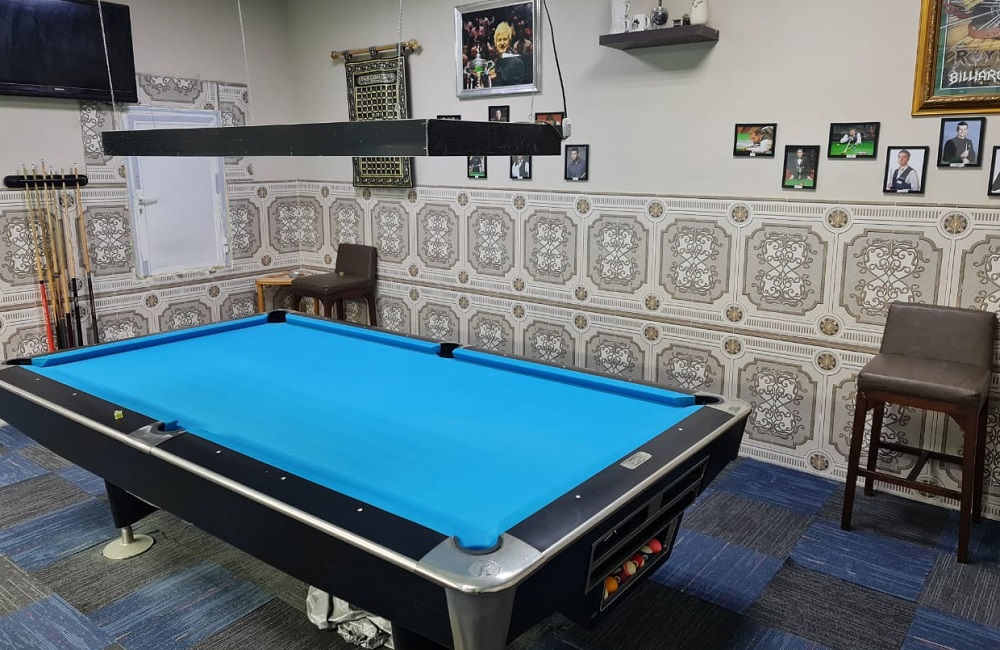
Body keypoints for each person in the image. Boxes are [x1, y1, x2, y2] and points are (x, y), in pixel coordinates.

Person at [489, 22, 528, 86]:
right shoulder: (495, 62)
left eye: (505, 39)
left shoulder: (517, 63)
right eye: (499, 40)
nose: (502, 43)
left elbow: (517, 87)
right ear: (495, 43)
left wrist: (497, 76)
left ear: (509, 42)